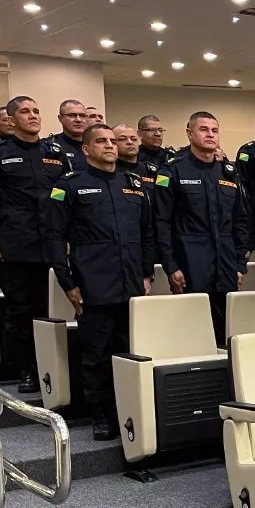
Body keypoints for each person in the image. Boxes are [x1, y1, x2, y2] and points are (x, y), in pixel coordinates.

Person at [43, 124, 154, 439]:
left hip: (132, 281)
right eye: (101, 141)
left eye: (112, 141)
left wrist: (147, 273)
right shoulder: (70, 185)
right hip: (93, 282)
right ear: (86, 149)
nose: (109, 145)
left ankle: (129, 411)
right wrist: (68, 282)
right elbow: (54, 237)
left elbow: (147, 232)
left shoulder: (132, 182)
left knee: (130, 351)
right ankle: (101, 413)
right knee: (96, 353)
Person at [0, 96, 70, 392]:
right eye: (25, 111)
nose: (33, 116)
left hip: (52, 242)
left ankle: (53, 371)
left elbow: (65, 197)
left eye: (36, 110)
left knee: (51, 310)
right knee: (21, 311)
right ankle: (28, 370)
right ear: (9, 118)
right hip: (15, 242)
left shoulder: (54, 152)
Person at [154, 111, 249, 344]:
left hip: (225, 262)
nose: (210, 135)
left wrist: (240, 264)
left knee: (224, 332)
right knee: (192, 330)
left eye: (214, 130)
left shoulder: (228, 172)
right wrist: (170, 266)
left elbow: (241, 221)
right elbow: (161, 221)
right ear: (189, 134)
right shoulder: (172, 171)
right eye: (204, 130)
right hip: (189, 260)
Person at [51, 99, 89, 172]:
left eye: (82, 115)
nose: (78, 120)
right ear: (60, 118)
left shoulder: (95, 145)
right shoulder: (50, 146)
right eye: (72, 115)